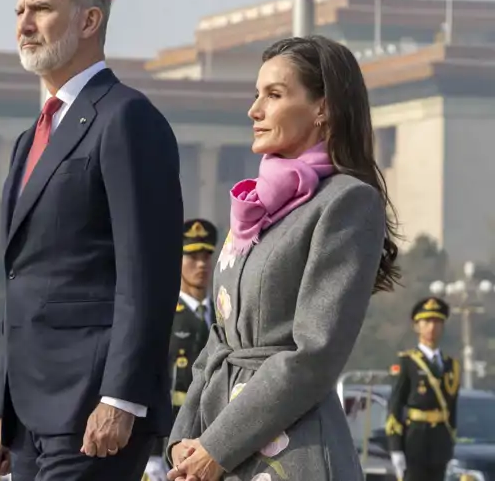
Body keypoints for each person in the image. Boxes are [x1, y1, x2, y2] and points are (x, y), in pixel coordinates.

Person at [0, 0, 183, 481]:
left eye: (41, 9)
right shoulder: (31, 138)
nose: (24, 25)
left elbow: (147, 272)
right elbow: (21, 279)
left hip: (92, 406)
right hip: (30, 414)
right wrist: (2, 411)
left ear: (89, 20)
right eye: (19, 11)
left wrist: (121, 396)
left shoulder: (126, 118)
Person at [165, 35, 400, 481]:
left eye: (274, 95)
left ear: (322, 109)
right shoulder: (256, 206)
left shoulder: (346, 202)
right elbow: (219, 340)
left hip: (290, 454)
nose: (254, 110)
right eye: (257, 94)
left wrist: (217, 447)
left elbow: (315, 354)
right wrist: (183, 439)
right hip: (215, 446)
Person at [145, 219, 217, 481]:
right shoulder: (163, 315)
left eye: (206, 256)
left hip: (211, 442)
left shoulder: (223, 314)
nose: (202, 264)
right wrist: (152, 452)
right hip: (170, 441)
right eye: (193, 257)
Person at [386, 297, 459, 481]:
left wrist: (451, 445)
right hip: (414, 440)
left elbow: (452, 410)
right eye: (426, 322)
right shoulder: (408, 362)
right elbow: (395, 405)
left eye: (437, 322)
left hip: (440, 442)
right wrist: (396, 448)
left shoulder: (451, 366)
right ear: (416, 326)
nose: (432, 327)